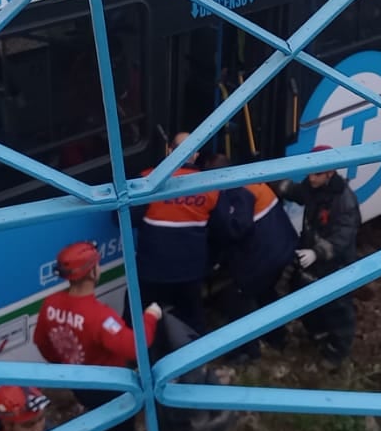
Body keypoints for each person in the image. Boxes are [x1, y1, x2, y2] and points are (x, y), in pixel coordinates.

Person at [35, 240, 161, 431]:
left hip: (81, 385)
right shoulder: (99, 316)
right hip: (113, 394)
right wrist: (151, 316)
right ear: (92, 272)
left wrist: (67, 366)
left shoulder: (50, 306)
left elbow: (42, 343)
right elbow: (135, 344)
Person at [130, 131, 230, 334]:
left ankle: (142, 360)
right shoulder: (210, 186)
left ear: (169, 151)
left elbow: (123, 218)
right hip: (189, 273)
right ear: (195, 155)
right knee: (192, 320)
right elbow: (223, 228)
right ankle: (191, 361)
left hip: (151, 270)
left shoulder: (146, 180)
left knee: (138, 320)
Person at [204, 152, 300, 363]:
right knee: (266, 293)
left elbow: (237, 228)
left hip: (264, 255)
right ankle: (278, 337)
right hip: (281, 246)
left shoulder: (238, 191)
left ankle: (248, 351)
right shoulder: (249, 180)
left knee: (237, 297)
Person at [277, 146, 362, 368]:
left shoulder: (344, 201)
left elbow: (343, 237)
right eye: (310, 172)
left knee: (337, 307)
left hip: (336, 265)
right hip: (312, 258)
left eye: (316, 174)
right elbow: (298, 193)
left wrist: (317, 252)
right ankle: (318, 334)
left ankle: (336, 352)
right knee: (305, 296)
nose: (310, 178)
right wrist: (276, 184)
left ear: (329, 174)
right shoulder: (313, 187)